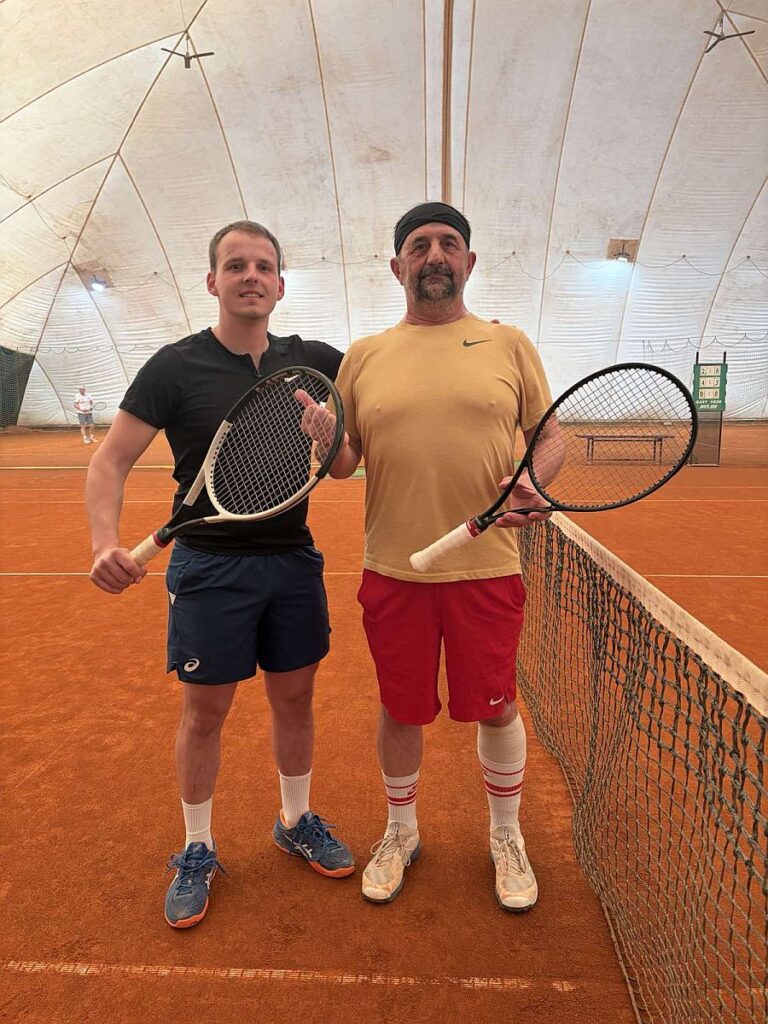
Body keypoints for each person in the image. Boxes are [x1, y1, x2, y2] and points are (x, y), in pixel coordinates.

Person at [86, 220, 354, 930]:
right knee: (205, 713)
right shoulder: (174, 366)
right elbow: (109, 460)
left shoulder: (314, 362)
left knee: (295, 698)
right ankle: (197, 847)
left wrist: (330, 439)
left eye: (263, 266)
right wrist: (104, 543)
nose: (250, 277)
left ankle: (294, 821)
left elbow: (345, 464)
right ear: (213, 281)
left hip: (291, 560)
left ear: (280, 285)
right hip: (208, 566)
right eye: (235, 265)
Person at [297, 202, 556, 912]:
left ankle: (506, 835)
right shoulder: (365, 356)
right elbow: (346, 463)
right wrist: (325, 436)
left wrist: (536, 481)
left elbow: (549, 436)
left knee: (497, 709)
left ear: (469, 262)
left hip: (488, 566)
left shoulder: (509, 344)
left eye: (448, 243)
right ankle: (401, 831)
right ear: (397, 266)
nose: (434, 255)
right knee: (400, 708)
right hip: (395, 569)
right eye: (419, 245)